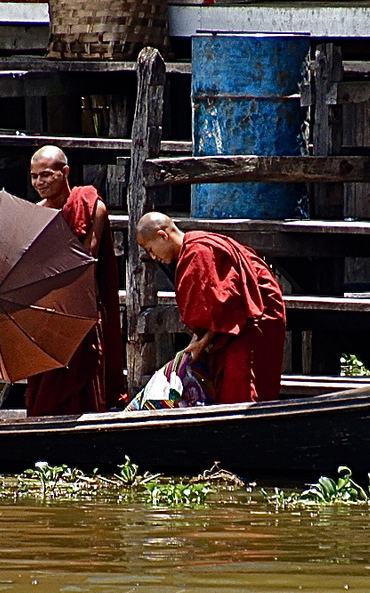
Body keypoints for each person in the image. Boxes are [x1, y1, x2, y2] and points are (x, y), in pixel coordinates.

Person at [135, 212, 286, 404]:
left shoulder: (198, 252)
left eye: (151, 249)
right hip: (240, 321)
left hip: (252, 320)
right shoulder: (193, 248)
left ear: (162, 236)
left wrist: (201, 343)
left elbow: (224, 307)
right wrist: (196, 341)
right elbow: (211, 310)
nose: (154, 257)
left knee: (241, 391)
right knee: (228, 387)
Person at [22, 146, 121, 416]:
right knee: (46, 391)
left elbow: (87, 257)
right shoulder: (35, 213)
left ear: (65, 172)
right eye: (34, 177)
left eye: (46, 175)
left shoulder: (90, 206)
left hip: (79, 308)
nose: (39, 183)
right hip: (45, 312)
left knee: (82, 381)